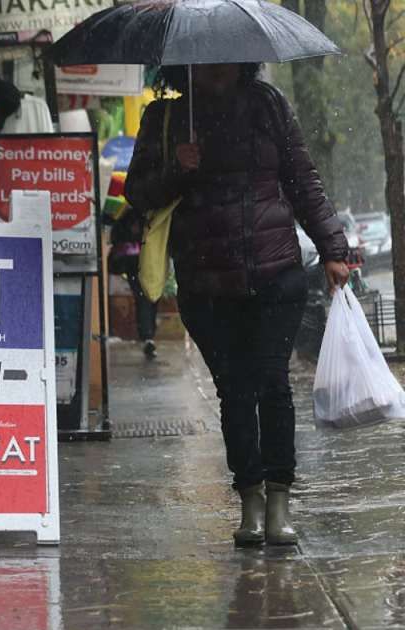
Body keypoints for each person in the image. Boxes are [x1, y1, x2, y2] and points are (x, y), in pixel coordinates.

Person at [125, 63, 349, 547]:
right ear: (183, 64)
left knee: (272, 385)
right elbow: (137, 195)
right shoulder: (166, 119)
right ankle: (248, 500)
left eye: (227, 55)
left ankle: (279, 504)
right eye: (205, 58)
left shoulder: (268, 105)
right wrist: (176, 170)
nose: (217, 65)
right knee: (234, 391)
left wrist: (334, 249)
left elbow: (303, 180)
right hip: (207, 284)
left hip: (275, 274)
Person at [107, 206, 160, 358]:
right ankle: (148, 335)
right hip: (143, 262)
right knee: (147, 297)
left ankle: (147, 335)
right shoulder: (145, 215)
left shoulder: (128, 216)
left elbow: (115, 237)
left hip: (136, 263)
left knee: (144, 297)